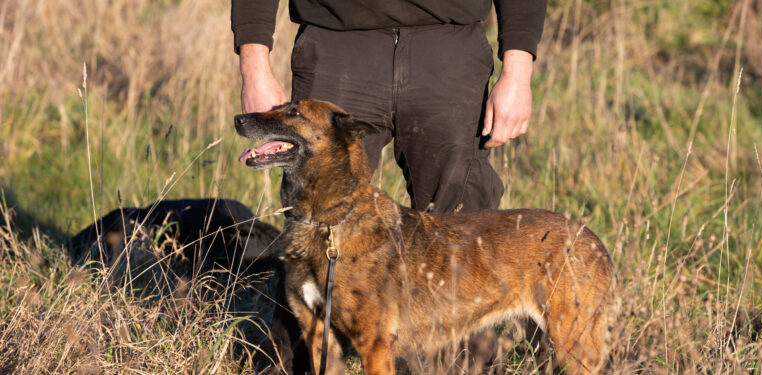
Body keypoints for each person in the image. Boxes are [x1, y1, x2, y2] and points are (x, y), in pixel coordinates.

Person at [231, 0, 546, 372]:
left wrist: (518, 70)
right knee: (312, 228)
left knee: (464, 238)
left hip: (449, 48)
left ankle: (459, 367)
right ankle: (292, 366)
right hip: (337, 43)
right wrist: (254, 66)